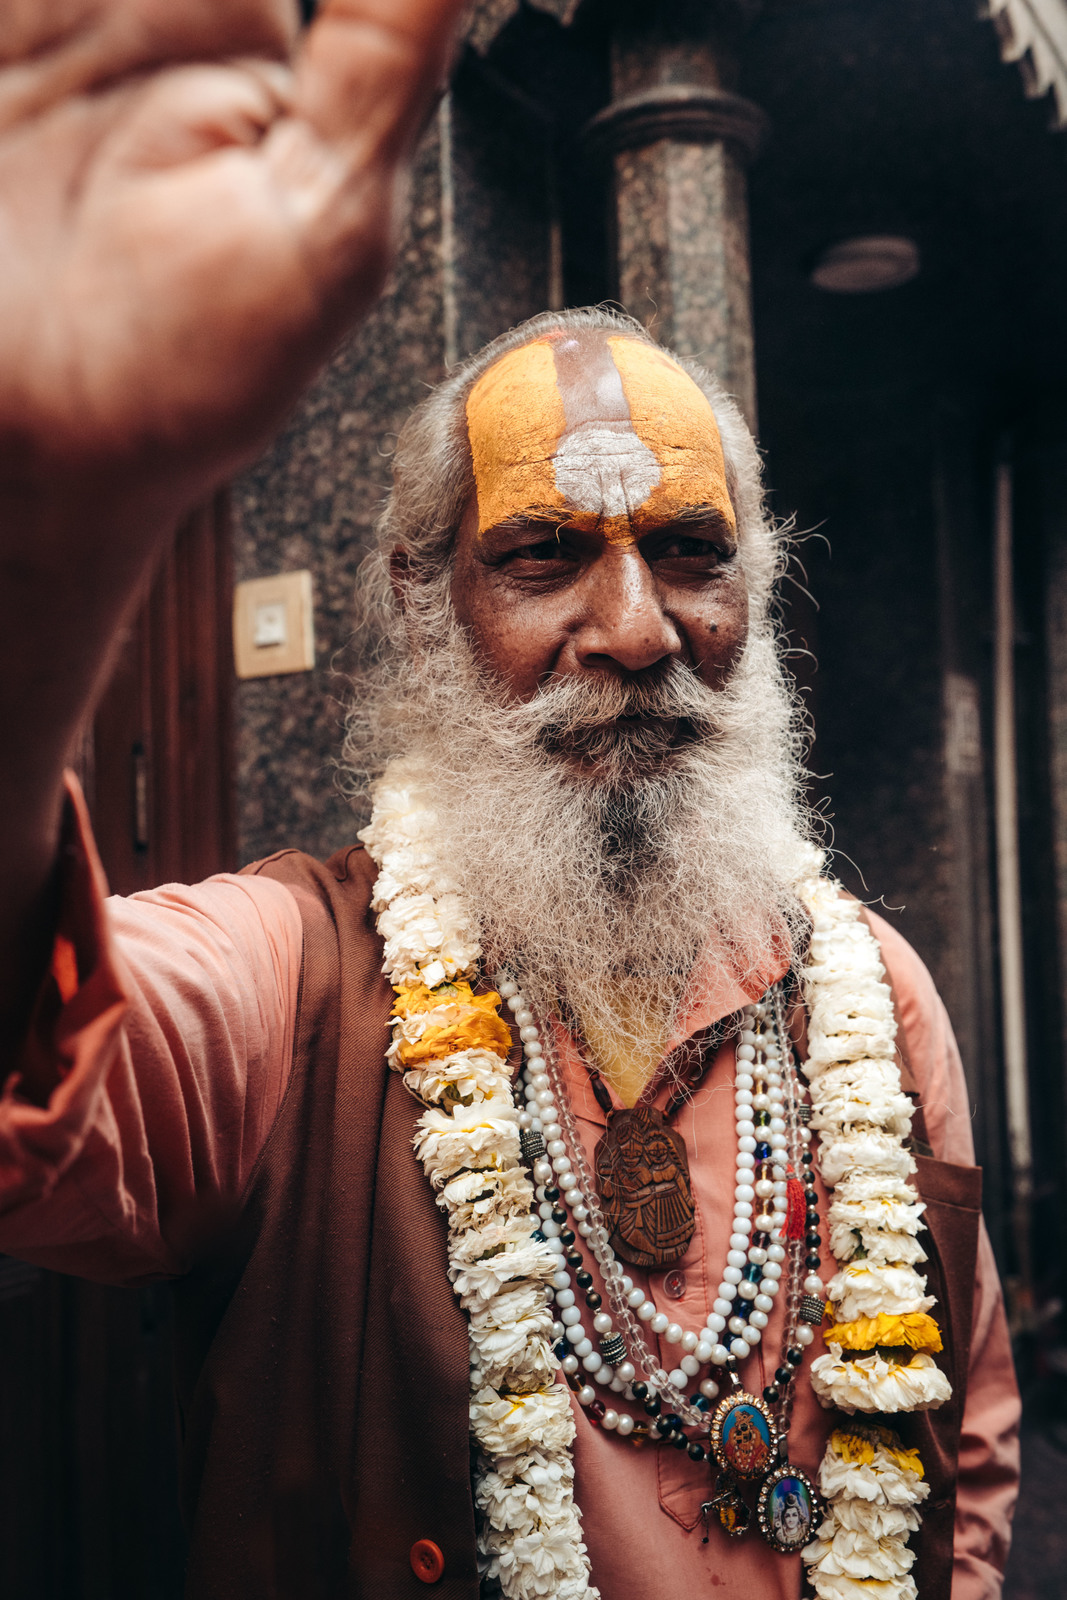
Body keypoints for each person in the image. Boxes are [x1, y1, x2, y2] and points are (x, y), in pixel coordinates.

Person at [0, 6, 1019, 1599]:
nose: (633, 633)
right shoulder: (292, 985)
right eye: (543, 557)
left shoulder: (879, 1000)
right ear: (425, 608)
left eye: (691, 552)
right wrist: (42, 525)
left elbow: (965, 1455)